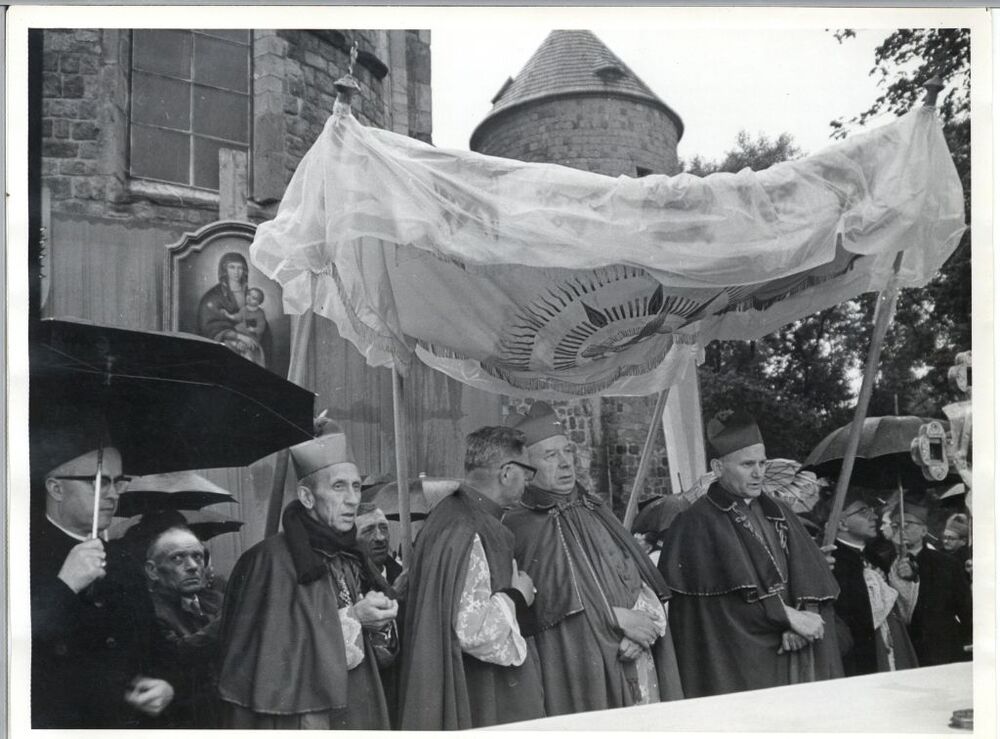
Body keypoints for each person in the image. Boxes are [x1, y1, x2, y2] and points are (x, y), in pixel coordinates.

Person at [502, 402, 683, 716]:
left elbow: (636, 577)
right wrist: (612, 620)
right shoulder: (519, 526)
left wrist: (644, 624)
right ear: (526, 469)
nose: (565, 464)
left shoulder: (594, 509)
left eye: (568, 452)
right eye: (550, 456)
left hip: (635, 651)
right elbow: (543, 610)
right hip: (582, 666)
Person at [217, 421, 398, 729]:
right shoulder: (268, 561)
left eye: (356, 486)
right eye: (339, 486)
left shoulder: (351, 555)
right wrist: (355, 618)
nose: (353, 499)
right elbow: (272, 665)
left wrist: (380, 620)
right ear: (307, 497)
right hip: (302, 716)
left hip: (356, 704)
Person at [658, 409, 842, 698]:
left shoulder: (778, 509)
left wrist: (806, 614)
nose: (759, 473)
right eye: (747, 464)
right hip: (747, 661)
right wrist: (785, 618)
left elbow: (809, 575)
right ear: (718, 467)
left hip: (797, 648)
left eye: (762, 463)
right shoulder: (694, 522)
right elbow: (716, 610)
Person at [400, 426, 545, 729]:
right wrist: (518, 596)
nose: (528, 482)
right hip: (477, 690)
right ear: (507, 472)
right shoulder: (470, 528)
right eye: (527, 472)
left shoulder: (450, 513)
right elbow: (472, 630)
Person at [30, 438, 175, 728]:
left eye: (118, 483)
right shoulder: (20, 551)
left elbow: (156, 648)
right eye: (99, 483)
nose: (112, 495)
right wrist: (64, 586)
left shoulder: (122, 559)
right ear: (56, 488)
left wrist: (167, 685)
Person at [816, 490, 918, 676]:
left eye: (871, 509)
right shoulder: (830, 560)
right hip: (860, 651)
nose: (873, 516)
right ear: (842, 523)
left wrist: (905, 578)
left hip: (892, 642)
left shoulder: (875, 557)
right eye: (863, 511)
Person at [139, 516, 225, 728]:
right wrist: (230, 620)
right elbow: (178, 656)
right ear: (152, 570)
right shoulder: (148, 612)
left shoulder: (218, 600)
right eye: (178, 558)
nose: (193, 566)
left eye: (198, 556)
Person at [888, 503, 972, 666]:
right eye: (895, 525)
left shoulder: (946, 563)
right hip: (904, 644)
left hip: (941, 646)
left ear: (924, 531)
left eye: (907, 525)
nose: (900, 530)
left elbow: (965, 606)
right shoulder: (885, 562)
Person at [196, 252, 270, 368]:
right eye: (232, 267)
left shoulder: (250, 295)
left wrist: (251, 336)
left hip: (251, 341)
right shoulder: (213, 296)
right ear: (224, 269)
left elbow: (258, 322)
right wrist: (238, 337)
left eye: (240, 268)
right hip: (226, 344)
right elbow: (210, 326)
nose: (236, 272)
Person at [355, 503, 403, 589]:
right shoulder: (346, 584)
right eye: (368, 530)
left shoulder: (404, 578)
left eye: (384, 528)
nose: (380, 537)